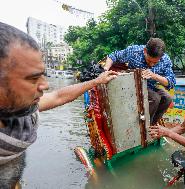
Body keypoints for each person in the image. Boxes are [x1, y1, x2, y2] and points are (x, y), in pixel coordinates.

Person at [0, 22, 117, 188]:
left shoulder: (20, 112)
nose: (45, 85)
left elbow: (58, 95)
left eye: (42, 75)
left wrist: (97, 81)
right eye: (33, 78)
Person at [103, 38, 176, 125]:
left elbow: (171, 82)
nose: (151, 64)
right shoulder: (134, 51)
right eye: (149, 61)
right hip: (132, 85)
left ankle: (151, 124)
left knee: (167, 98)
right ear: (145, 51)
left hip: (150, 87)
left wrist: (154, 76)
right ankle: (140, 125)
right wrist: (105, 70)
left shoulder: (165, 60)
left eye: (155, 62)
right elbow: (113, 56)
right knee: (155, 98)